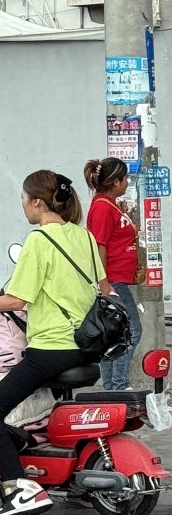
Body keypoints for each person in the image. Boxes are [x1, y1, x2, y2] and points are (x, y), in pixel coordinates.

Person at [0, 170, 109, 515]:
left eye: (23, 200)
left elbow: (15, 299)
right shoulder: (84, 236)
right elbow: (104, 288)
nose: (23, 206)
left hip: (51, 348)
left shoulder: (38, 240)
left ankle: (19, 490)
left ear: (37, 202)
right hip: (85, 347)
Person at [84, 157, 141, 391]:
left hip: (117, 279)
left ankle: (110, 388)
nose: (127, 182)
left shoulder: (111, 205)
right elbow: (100, 245)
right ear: (116, 181)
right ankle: (119, 385)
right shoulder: (102, 207)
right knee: (132, 331)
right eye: (125, 178)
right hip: (113, 281)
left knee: (112, 335)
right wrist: (104, 282)